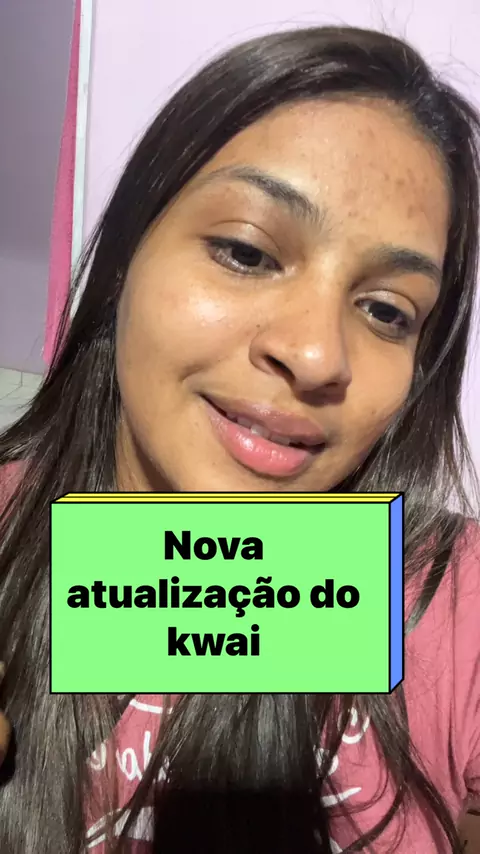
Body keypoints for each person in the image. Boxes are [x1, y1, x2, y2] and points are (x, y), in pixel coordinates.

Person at [0, 23, 479, 854]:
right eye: (246, 252)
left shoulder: (448, 598)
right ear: (125, 262)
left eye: (386, 310)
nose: (317, 354)